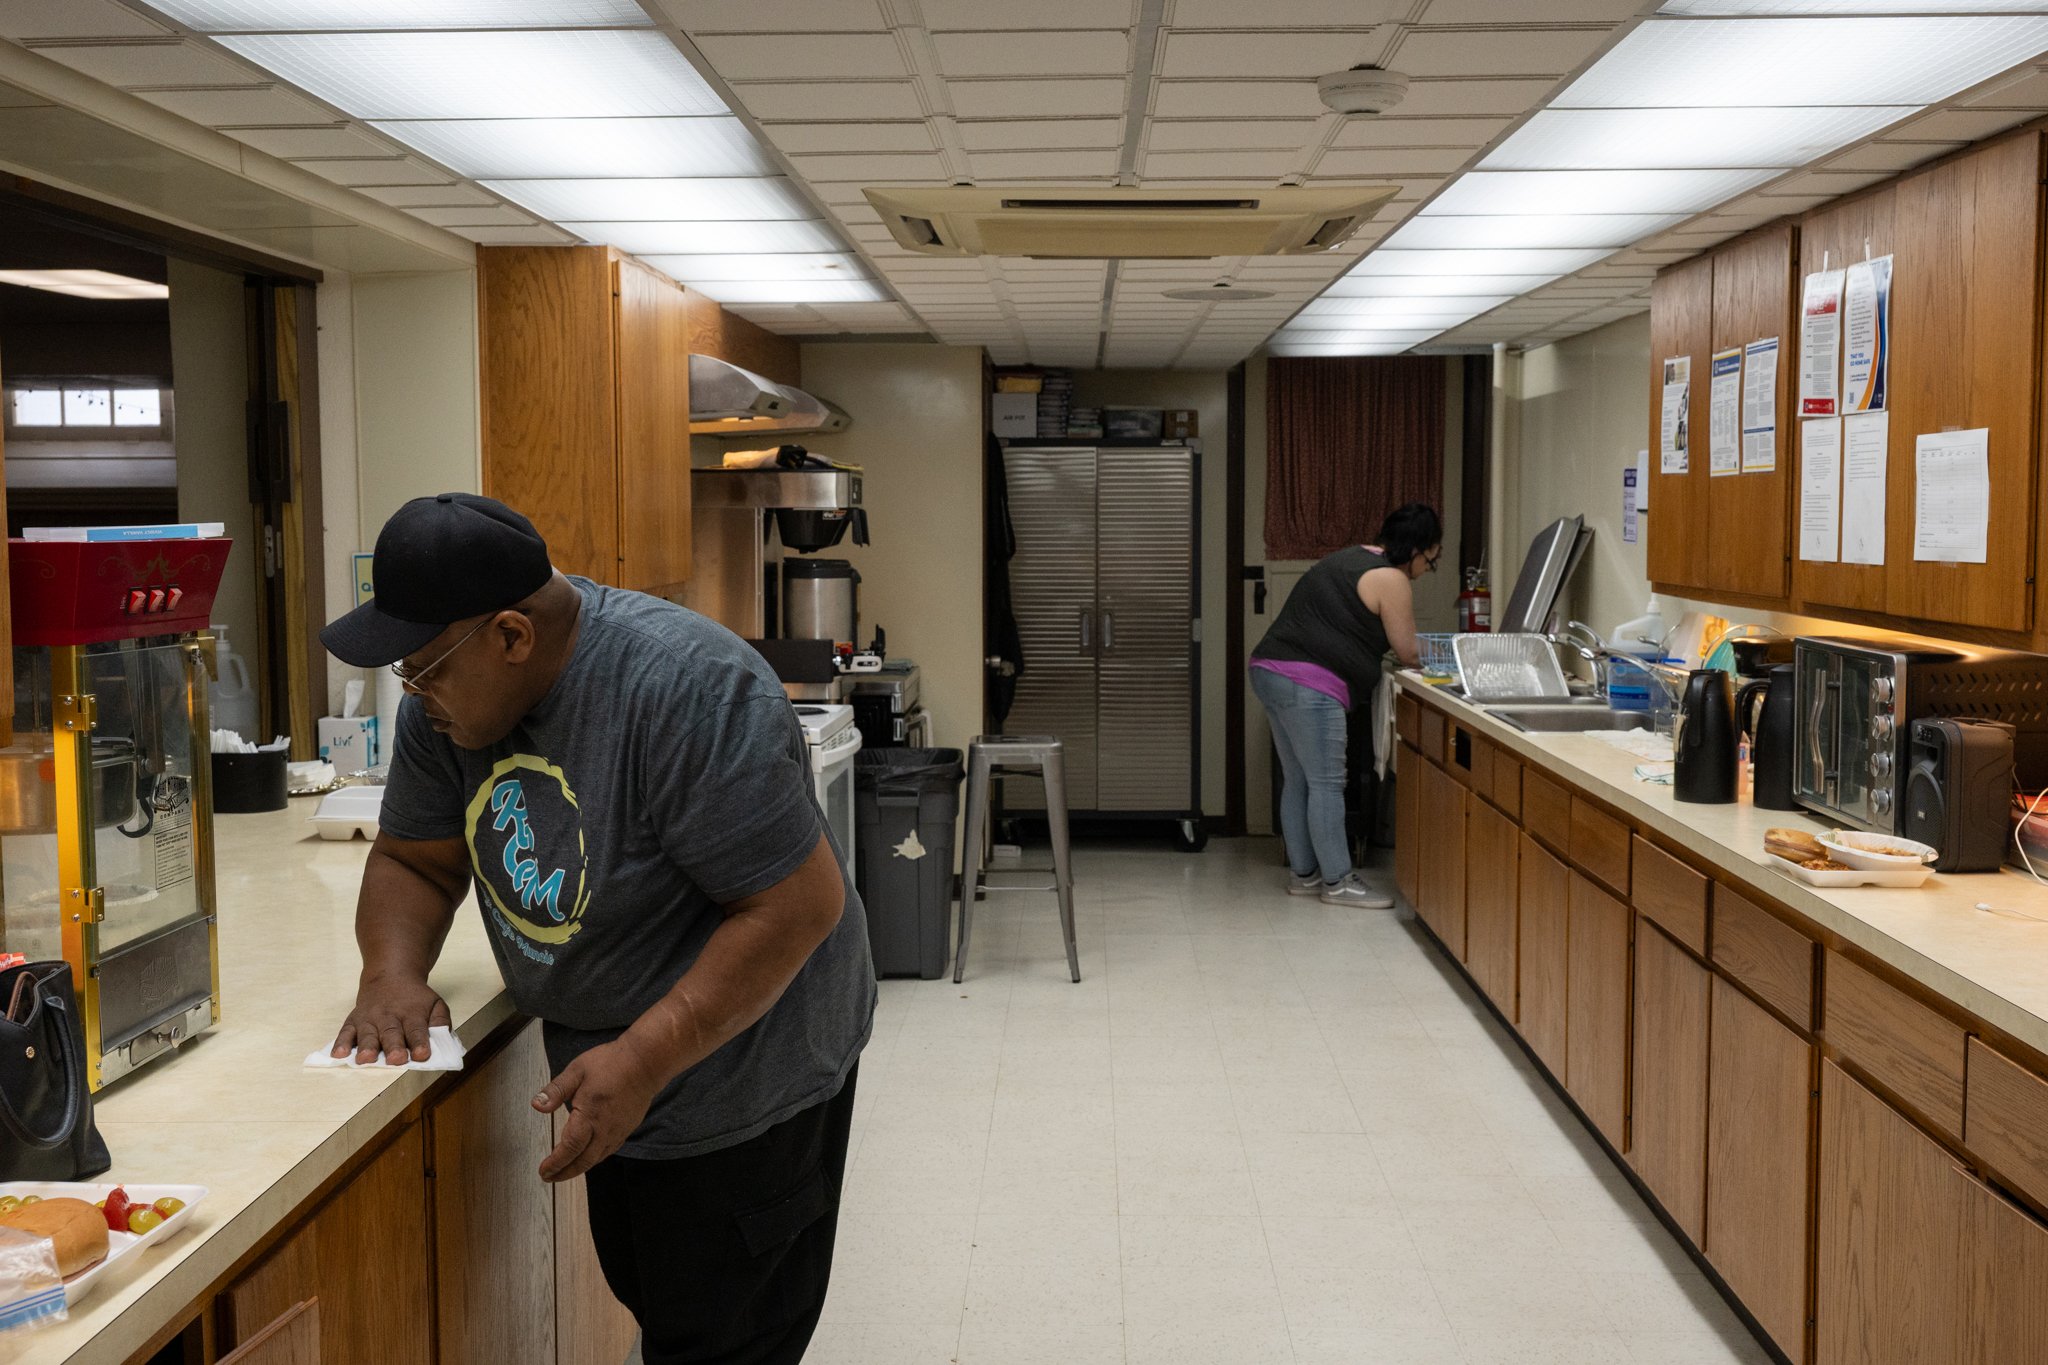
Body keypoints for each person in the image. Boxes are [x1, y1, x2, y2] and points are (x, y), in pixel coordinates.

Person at [319, 493, 874, 1365]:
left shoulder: (686, 691)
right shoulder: (446, 705)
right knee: (655, 1293)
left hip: (749, 1076)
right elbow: (414, 860)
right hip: (617, 1071)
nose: (414, 694)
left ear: (512, 635)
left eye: (424, 668)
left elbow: (795, 906)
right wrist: (389, 970)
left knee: (728, 1326)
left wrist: (647, 1056)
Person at [1250, 502, 1442, 907]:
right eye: (1431, 561)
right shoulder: (1391, 578)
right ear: (1416, 550)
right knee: (1326, 784)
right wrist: (1457, 654)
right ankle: (1338, 882)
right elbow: (1408, 651)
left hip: (1269, 669)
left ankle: (1304, 876)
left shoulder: (1350, 557)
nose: (1427, 570)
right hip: (1309, 683)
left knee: (1298, 780)